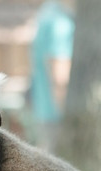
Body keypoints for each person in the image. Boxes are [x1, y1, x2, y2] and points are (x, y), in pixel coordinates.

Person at [30, 0, 75, 152]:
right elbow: (60, 77)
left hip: (45, 113)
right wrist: (69, 122)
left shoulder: (48, 11)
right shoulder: (60, 23)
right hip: (58, 118)